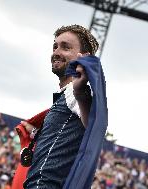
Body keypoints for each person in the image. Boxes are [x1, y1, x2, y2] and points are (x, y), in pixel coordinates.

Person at [20, 24, 106, 189]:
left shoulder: (77, 92)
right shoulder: (65, 95)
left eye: (65, 48)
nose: (56, 52)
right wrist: (35, 132)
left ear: (83, 57)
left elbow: (93, 127)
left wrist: (81, 92)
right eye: (55, 46)